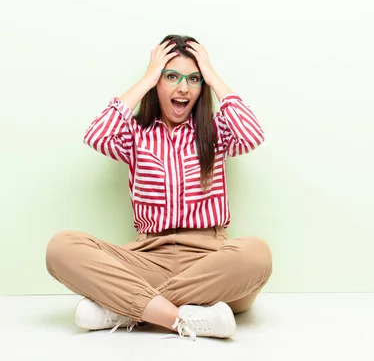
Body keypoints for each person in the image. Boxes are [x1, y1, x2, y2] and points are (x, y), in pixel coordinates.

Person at [45, 35, 272, 340]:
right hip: (147, 257)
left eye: (194, 79)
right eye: (172, 77)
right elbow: (96, 135)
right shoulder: (135, 134)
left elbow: (252, 135)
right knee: (61, 247)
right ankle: (181, 317)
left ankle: (129, 308)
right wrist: (147, 78)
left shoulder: (216, 131)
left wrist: (212, 74)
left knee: (257, 254)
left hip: (210, 265)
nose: (183, 88)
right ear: (158, 83)